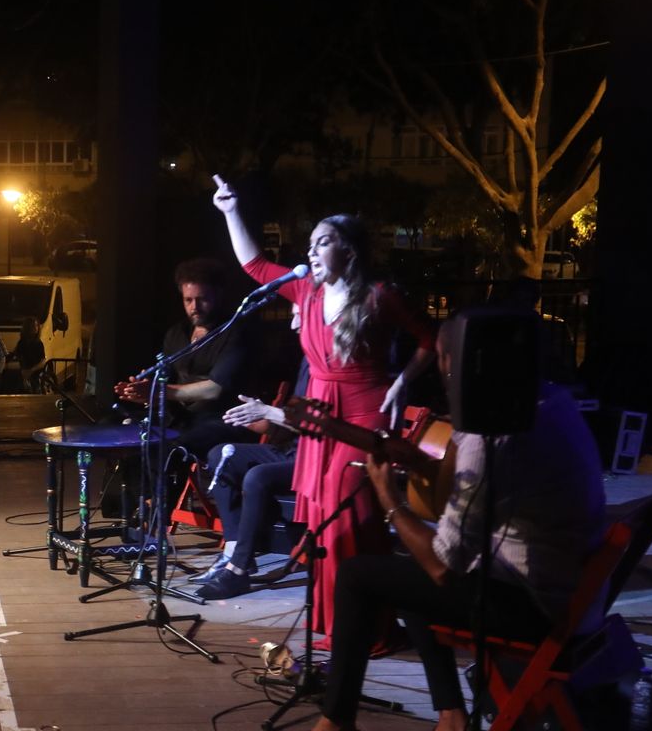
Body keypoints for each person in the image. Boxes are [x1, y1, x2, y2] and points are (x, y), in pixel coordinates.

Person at [262, 313, 606, 731]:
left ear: (459, 361)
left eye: (444, 358)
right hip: (574, 599)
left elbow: (445, 565)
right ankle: (451, 722)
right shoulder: (550, 403)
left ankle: (334, 728)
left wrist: (388, 497)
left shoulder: (491, 435)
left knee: (360, 574)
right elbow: (467, 500)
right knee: (410, 570)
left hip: (535, 609)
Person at [213, 176, 436, 637]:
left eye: (323, 242)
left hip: (363, 411)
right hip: (320, 412)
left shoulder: (379, 295)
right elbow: (254, 266)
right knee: (322, 516)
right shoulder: (306, 292)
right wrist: (231, 211)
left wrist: (402, 384)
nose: (311, 252)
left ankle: (364, 626)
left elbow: (430, 340)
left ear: (349, 250)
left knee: (349, 516)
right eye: (310, 243)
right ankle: (335, 621)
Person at [112, 257, 261, 461]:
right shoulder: (177, 333)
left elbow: (215, 389)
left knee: (171, 447)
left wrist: (162, 392)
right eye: (188, 300)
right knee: (120, 432)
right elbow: (167, 380)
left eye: (202, 299)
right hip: (180, 418)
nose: (194, 307)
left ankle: (165, 493)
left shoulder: (235, 333)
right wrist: (147, 393)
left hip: (221, 420)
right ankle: (133, 493)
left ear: (218, 294)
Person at [192, 358, 310, 600]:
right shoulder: (308, 360)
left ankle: (239, 569)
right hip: (288, 449)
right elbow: (294, 426)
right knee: (222, 455)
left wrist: (271, 413)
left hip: (313, 460)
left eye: (299, 317)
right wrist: (264, 423)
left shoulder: (329, 366)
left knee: (257, 476)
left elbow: (320, 426)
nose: (295, 322)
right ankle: (233, 549)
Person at [11, 316, 48, 392]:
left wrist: (31, 370)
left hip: (35, 373)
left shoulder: (38, 343)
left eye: (37, 325)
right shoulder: (22, 343)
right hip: (23, 373)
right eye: (33, 326)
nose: (36, 328)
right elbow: (17, 356)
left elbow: (43, 360)